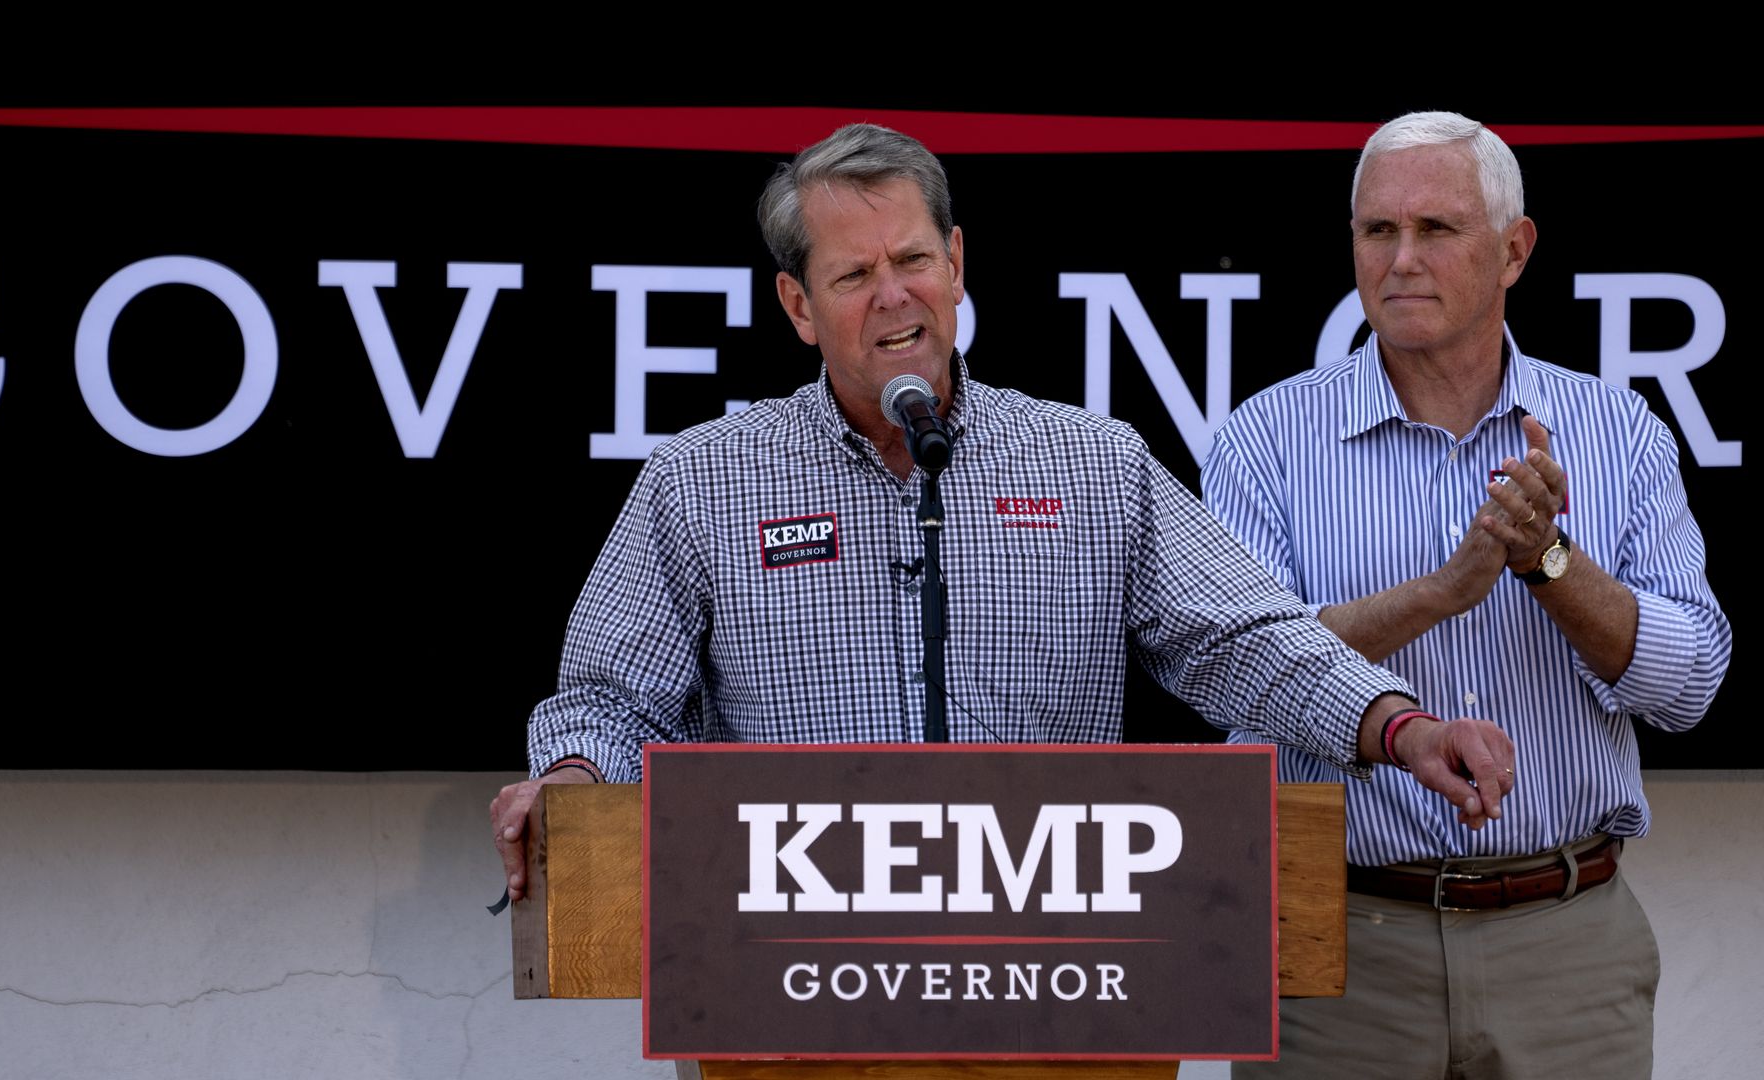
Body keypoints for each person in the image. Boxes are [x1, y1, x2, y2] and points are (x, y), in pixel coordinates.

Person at [494, 122, 1516, 906]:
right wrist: (571, 780)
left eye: (913, 260)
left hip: (1053, 974)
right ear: (799, 306)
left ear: (958, 264)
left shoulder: (1092, 463)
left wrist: (1399, 727)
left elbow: (1246, 640)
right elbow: (609, 700)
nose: (895, 297)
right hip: (785, 967)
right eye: (853, 276)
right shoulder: (700, 480)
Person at [1203, 111, 1731, 1078]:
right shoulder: (1266, 438)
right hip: (1336, 938)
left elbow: (1689, 684)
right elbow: (1247, 673)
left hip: (1567, 938)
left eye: (1436, 230)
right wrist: (1443, 591)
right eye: (1377, 232)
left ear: (1514, 250)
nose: (1401, 260)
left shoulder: (1617, 431)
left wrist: (1547, 565)